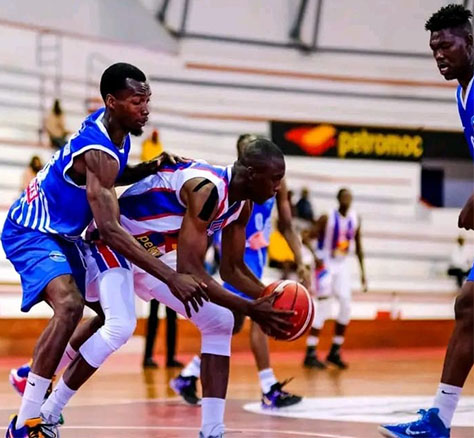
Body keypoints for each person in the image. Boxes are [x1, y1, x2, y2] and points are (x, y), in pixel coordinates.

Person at [2, 62, 208, 438]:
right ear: (112, 102)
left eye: (147, 99)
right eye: (136, 100)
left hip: (63, 235)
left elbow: (112, 173)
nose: (145, 108)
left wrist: (149, 166)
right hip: (31, 229)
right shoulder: (99, 149)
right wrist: (171, 276)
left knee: (108, 315)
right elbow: (111, 230)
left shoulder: (114, 130)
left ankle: (27, 374)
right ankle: (27, 422)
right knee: (69, 305)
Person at [35, 139, 293, 438]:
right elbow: (191, 271)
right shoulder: (207, 190)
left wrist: (269, 298)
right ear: (251, 173)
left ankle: (212, 430)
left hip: (153, 255)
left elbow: (231, 270)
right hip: (116, 241)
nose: (279, 187)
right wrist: (249, 308)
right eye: (275, 178)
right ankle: (47, 412)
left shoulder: (241, 205)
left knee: (220, 322)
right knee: (118, 325)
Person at [379, 5, 474, 437]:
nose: (439, 55)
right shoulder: (462, 91)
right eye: (433, 48)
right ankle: (439, 418)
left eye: (446, 45)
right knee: (469, 308)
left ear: (469, 43)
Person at [171, 134, 309, 409]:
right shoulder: (230, 188)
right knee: (253, 316)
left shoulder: (274, 184)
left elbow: (287, 224)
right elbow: (211, 223)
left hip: (257, 255)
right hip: (237, 252)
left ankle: (188, 375)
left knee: (232, 324)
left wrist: (300, 258)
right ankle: (269, 387)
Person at [303, 188, 366, 370]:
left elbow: (359, 246)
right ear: (338, 199)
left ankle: (335, 351)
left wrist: (363, 275)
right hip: (326, 263)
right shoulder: (327, 218)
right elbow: (305, 236)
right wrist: (315, 256)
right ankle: (311, 351)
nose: (347, 200)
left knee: (346, 304)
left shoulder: (355, 219)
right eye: (344, 197)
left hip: (343, 263)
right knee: (324, 305)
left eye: (349, 197)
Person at [142, 299, 181, 368]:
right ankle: (170, 359)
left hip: (160, 289)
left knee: (168, 319)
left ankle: (148, 357)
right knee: (167, 319)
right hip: (166, 290)